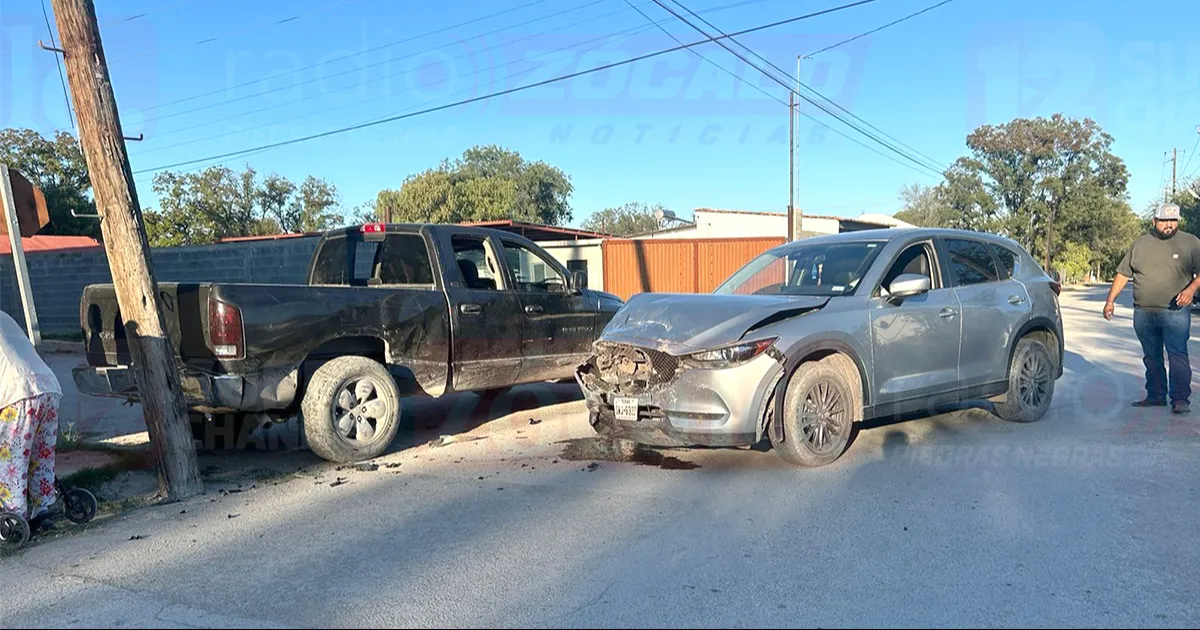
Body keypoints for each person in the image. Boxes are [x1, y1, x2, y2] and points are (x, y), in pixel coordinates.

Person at [1104, 202, 1200, 414]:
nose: (1169, 224)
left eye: (1173, 220)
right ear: (1154, 220)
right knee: (1151, 356)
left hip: (1175, 312)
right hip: (1144, 313)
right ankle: (1156, 395)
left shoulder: (1190, 243)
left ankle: (1180, 399)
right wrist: (1110, 301)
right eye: (1164, 220)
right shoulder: (1140, 244)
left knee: (1177, 355)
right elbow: (1123, 274)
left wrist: (1191, 289)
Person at [0, 310, 62, 532]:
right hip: (48, 389)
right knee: (41, 455)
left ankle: (14, 518)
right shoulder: (4, 316)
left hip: (18, 395)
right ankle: (42, 510)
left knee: (10, 460)